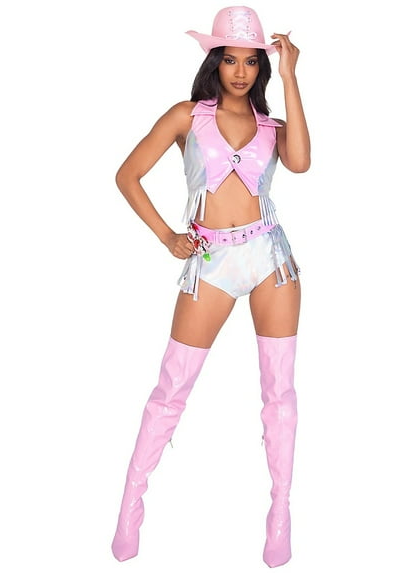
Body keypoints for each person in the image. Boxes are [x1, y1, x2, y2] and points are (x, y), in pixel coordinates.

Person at [111, 5, 310, 568]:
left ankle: (280, 513)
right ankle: (130, 505)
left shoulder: (272, 127)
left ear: (261, 67)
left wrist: (290, 75)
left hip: (271, 259)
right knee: (170, 388)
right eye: (230, 60)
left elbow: (300, 164)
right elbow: (127, 175)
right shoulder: (187, 116)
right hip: (211, 262)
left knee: (280, 393)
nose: (241, 72)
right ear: (214, 62)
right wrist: (168, 237)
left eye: (252, 61)